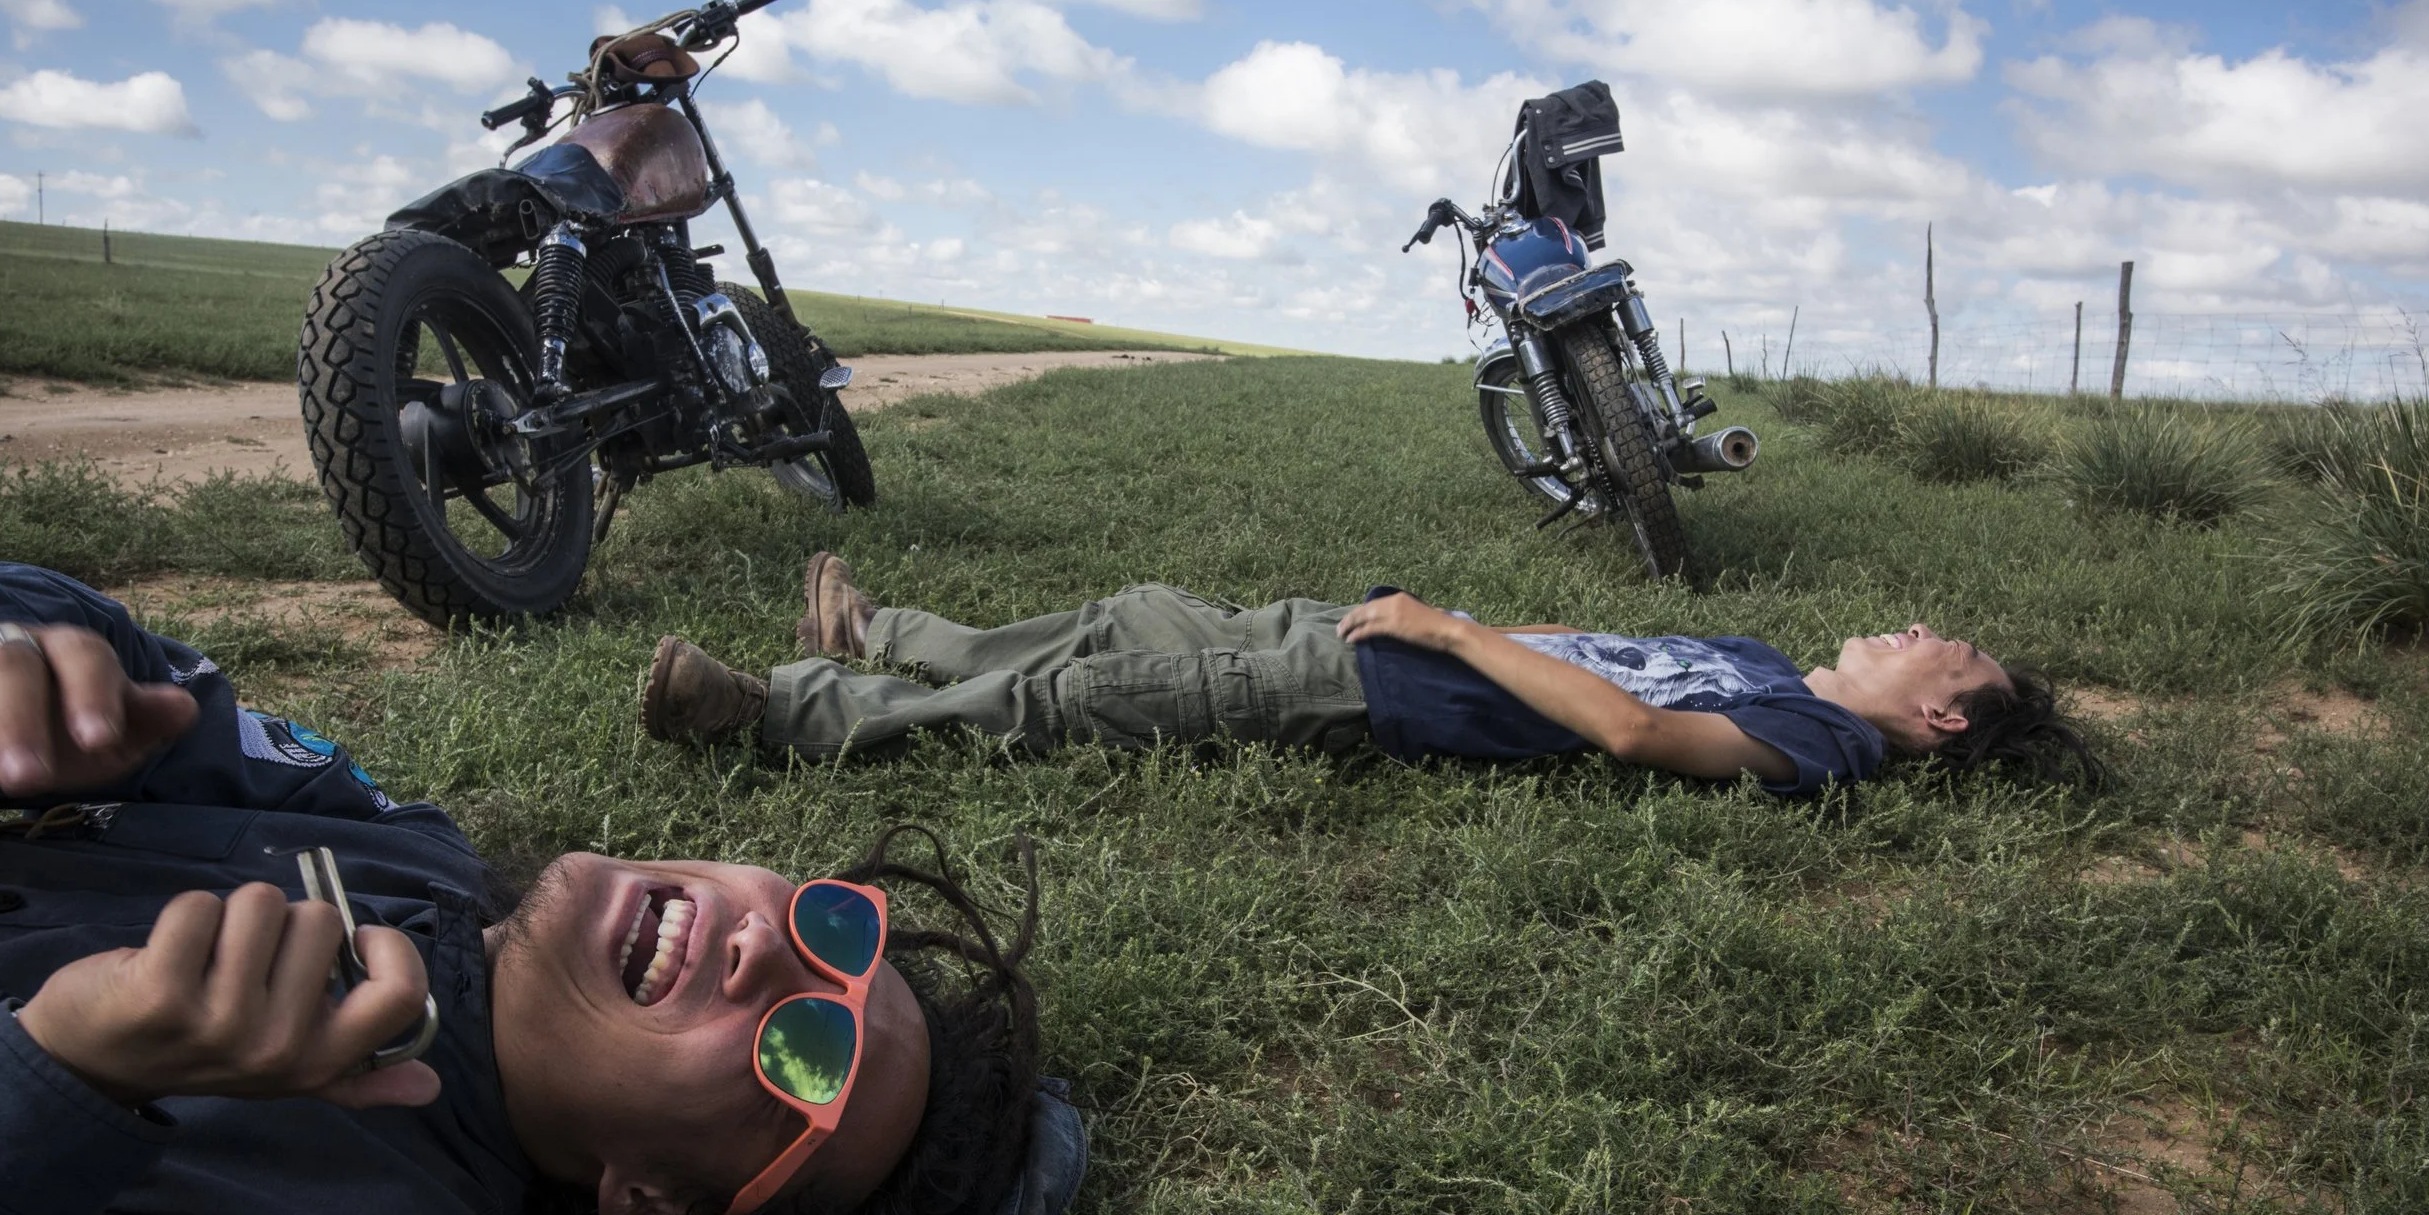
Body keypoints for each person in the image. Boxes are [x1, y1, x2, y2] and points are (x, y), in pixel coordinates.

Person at [0, 562, 1066, 1215]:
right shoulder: (406, 847)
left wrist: (58, 1084)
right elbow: (159, 687)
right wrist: (9, 643)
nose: (764, 942)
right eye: (834, 930)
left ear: (656, 1203)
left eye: (804, 1055)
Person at [640, 554, 2096, 794]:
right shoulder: (1772, 657)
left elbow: (1641, 733)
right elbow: (1592, 649)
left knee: (1072, 702)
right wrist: (1426, 611)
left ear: (1942, 714)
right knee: (1115, 620)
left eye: (1936, 648)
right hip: (1369, 633)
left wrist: (1454, 636)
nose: (1910, 627)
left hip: (1372, 691)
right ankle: (879, 636)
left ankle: (777, 713)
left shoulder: (1813, 744)